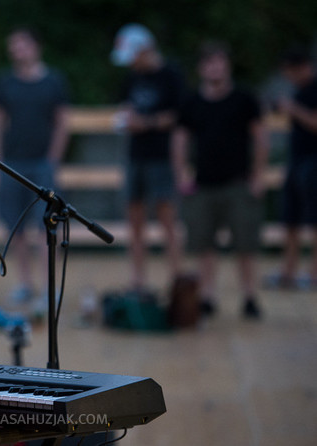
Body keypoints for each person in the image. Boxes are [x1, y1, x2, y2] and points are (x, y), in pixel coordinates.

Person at [172, 42, 268, 319]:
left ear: (227, 65)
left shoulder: (244, 99)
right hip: (203, 184)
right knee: (203, 244)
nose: (215, 67)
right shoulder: (191, 101)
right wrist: (181, 175)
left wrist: (258, 176)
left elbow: (260, 137)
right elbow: (180, 139)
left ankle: (249, 295)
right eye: (210, 62)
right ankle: (208, 295)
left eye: (220, 62)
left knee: (246, 243)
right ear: (202, 68)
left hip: (238, 182)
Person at [0, 27, 72, 307]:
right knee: (16, 227)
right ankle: (25, 283)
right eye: (13, 46)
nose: (16, 50)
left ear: (36, 47)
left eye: (21, 45)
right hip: (12, 165)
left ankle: (50, 288)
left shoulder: (53, 82)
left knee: (46, 227)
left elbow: (62, 122)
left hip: (42, 165)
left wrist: (53, 159)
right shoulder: (5, 82)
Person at [111, 23, 185, 291]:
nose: (131, 63)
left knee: (167, 218)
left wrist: (147, 123)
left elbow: (179, 115)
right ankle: (138, 279)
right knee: (135, 219)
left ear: (145, 50)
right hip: (135, 156)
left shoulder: (171, 76)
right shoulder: (132, 78)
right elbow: (127, 107)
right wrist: (126, 119)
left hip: (162, 156)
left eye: (133, 57)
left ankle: (176, 278)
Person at [273, 48, 317, 289]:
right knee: (290, 218)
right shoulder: (298, 92)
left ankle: (313, 274)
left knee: (315, 220)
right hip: (296, 161)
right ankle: (287, 272)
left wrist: (294, 110)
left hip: (313, 161)